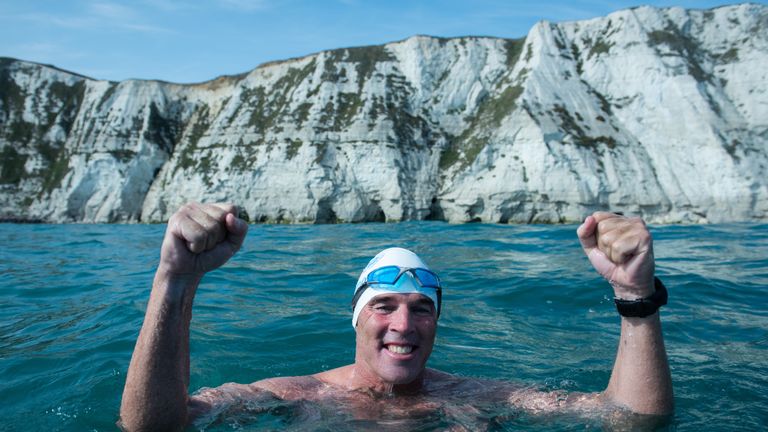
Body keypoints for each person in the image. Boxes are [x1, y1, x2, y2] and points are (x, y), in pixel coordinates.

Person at [119, 202, 673, 431]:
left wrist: (636, 294)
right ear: (357, 318)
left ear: (436, 323)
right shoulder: (296, 394)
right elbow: (155, 424)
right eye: (383, 306)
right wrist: (176, 281)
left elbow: (630, 417)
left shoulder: (480, 395)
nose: (403, 326)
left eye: (421, 310)